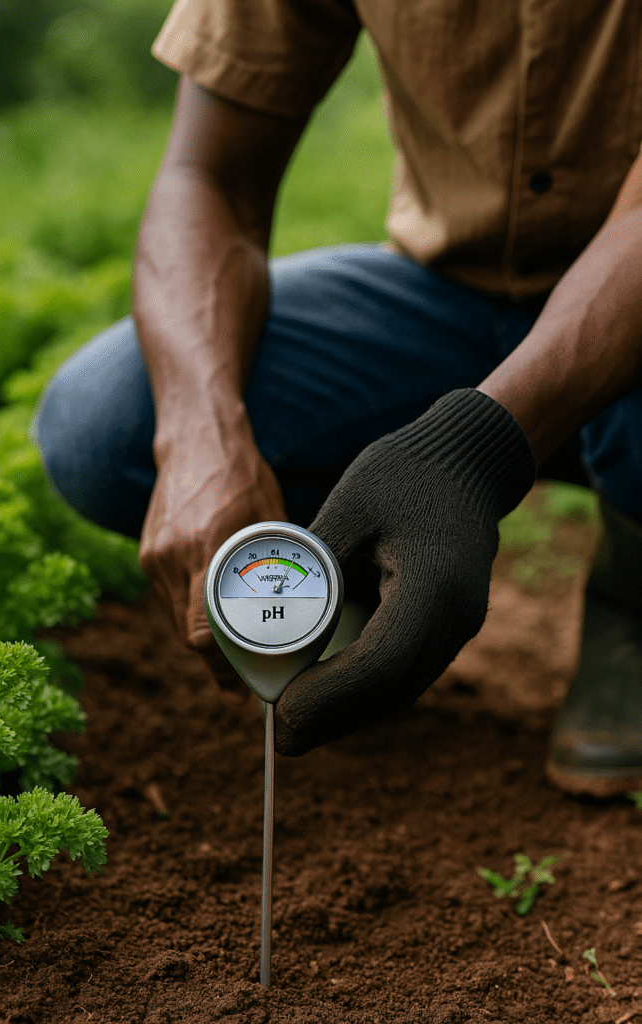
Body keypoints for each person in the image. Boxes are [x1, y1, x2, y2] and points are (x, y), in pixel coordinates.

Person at [34, 0, 642, 797]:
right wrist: (199, 435)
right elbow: (208, 177)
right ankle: (349, 580)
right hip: (449, 291)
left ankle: (631, 600)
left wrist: (467, 455)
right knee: (106, 421)